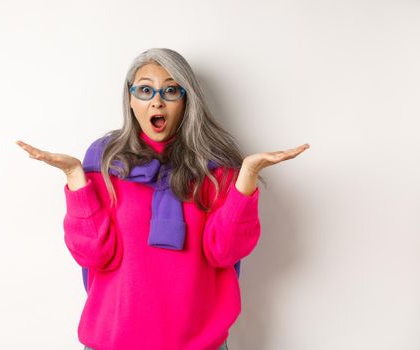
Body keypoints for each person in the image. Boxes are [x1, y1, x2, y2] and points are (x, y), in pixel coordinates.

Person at [16, 48, 309, 350]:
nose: (157, 100)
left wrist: (246, 176)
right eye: (145, 90)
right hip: (115, 341)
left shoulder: (214, 165)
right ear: (129, 99)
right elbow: (93, 255)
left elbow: (225, 252)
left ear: (186, 99)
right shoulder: (105, 159)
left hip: (198, 343)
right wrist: (75, 176)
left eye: (170, 90)